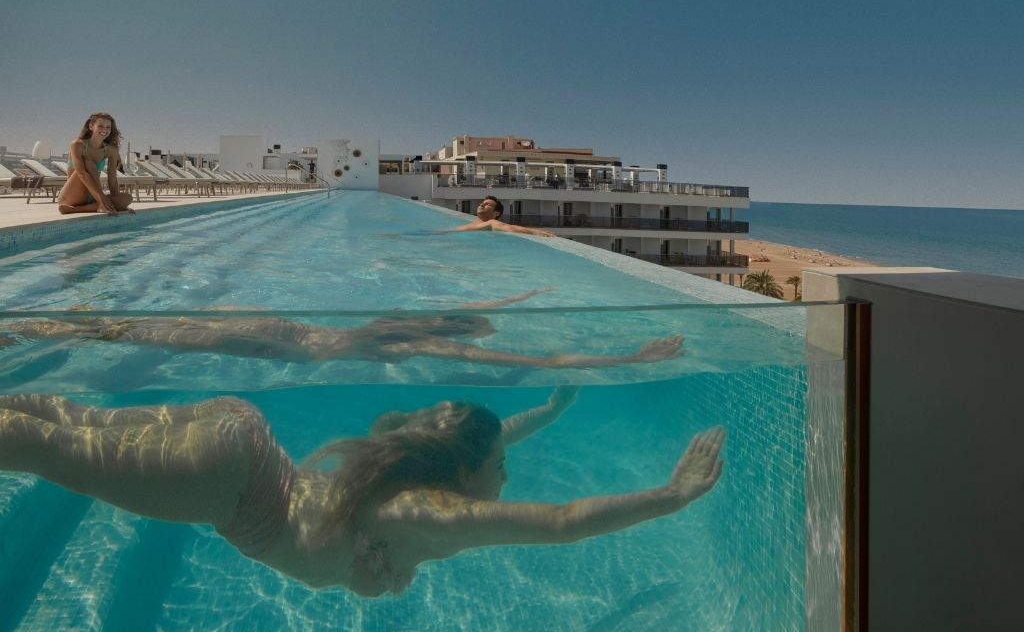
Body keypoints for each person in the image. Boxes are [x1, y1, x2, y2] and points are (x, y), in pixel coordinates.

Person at [0, 389, 725, 597]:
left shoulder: (405, 466)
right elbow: (562, 522)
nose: (506, 475)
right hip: (229, 479)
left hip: (240, 432)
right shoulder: (422, 508)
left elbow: (492, 438)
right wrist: (671, 495)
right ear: (463, 473)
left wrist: (550, 412)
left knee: (63, 422)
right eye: (499, 466)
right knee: (43, 446)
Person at [1, 291, 684, 368]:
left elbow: (536, 362)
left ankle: (33, 332)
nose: (452, 320)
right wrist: (521, 295)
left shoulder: (417, 335)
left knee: (153, 335)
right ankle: (45, 327)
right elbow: (484, 312)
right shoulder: (419, 323)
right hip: (279, 330)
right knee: (154, 327)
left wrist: (631, 358)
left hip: (282, 342)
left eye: (462, 323)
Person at [58, 112, 135, 215]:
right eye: (100, 126)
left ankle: (75, 209)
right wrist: (102, 198)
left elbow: (112, 178)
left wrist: (118, 202)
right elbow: (82, 174)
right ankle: (98, 204)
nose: (104, 129)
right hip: (72, 195)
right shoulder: (78, 144)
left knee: (127, 198)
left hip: (94, 195)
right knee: (89, 163)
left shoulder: (111, 150)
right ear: (91, 126)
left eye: (108, 127)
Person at [440, 196, 554, 236]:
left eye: (488, 204)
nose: (482, 204)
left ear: (496, 213)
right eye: (482, 203)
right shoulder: (470, 224)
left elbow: (509, 227)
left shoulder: (491, 223)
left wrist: (535, 232)